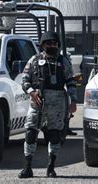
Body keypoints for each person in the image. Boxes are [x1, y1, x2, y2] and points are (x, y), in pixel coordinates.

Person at [18, 32, 77, 179]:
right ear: (43, 45)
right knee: (31, 133)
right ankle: (27, 167)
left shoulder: (64, 61)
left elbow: (70, 82)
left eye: (55, 44)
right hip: (38, 102)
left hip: (58, 103)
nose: (52, 46)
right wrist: (32, 92)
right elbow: (24, 80)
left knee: (54, 135)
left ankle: (51, 168)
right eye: (49, 43)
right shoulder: (35, 60)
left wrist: (74, 101)